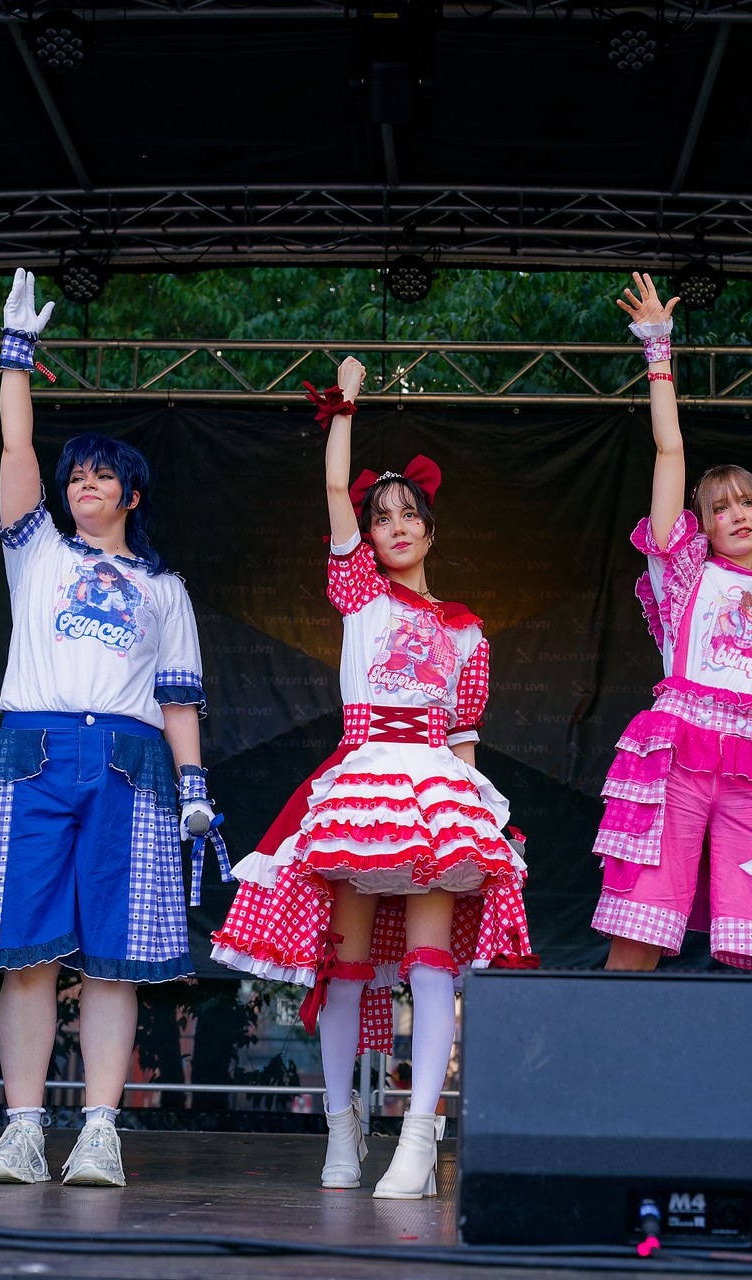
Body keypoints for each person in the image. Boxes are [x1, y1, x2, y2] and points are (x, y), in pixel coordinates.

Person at [210, 355, 534, 1199]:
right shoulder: (360, 595)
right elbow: (331, 491)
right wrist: (345, 405)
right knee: (345, 961)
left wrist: (482, 819)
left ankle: (419, 1138)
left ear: (430, 530)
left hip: (435, 787)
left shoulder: (468, 633)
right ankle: (342, 1133)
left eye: (407, 515)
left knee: (432, 964)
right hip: (363, 779)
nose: (393, 526)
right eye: (379, 516)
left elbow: (463, 737)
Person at [0, 270, 220, 1190]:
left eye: (103, 473)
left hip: (131, 764)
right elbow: (16, 446)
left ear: (132, 493)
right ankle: (23, 1130)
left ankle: (100, 1131)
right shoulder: (38, 551)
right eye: (77, 474)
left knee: (114, 957)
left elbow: (178, 700)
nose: (85, 482)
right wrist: (16, 354)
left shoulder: (164, 589)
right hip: (35, 752)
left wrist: (194, 789)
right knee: (26, 954)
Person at [591, 273, 752, 976]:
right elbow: (670, 452)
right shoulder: (686, 575)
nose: (735, 514)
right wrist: (658, 351)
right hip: (677, 754)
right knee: (639, 928)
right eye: (719, 506)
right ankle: (605, 1044)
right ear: (701, 524)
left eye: (746, 501)